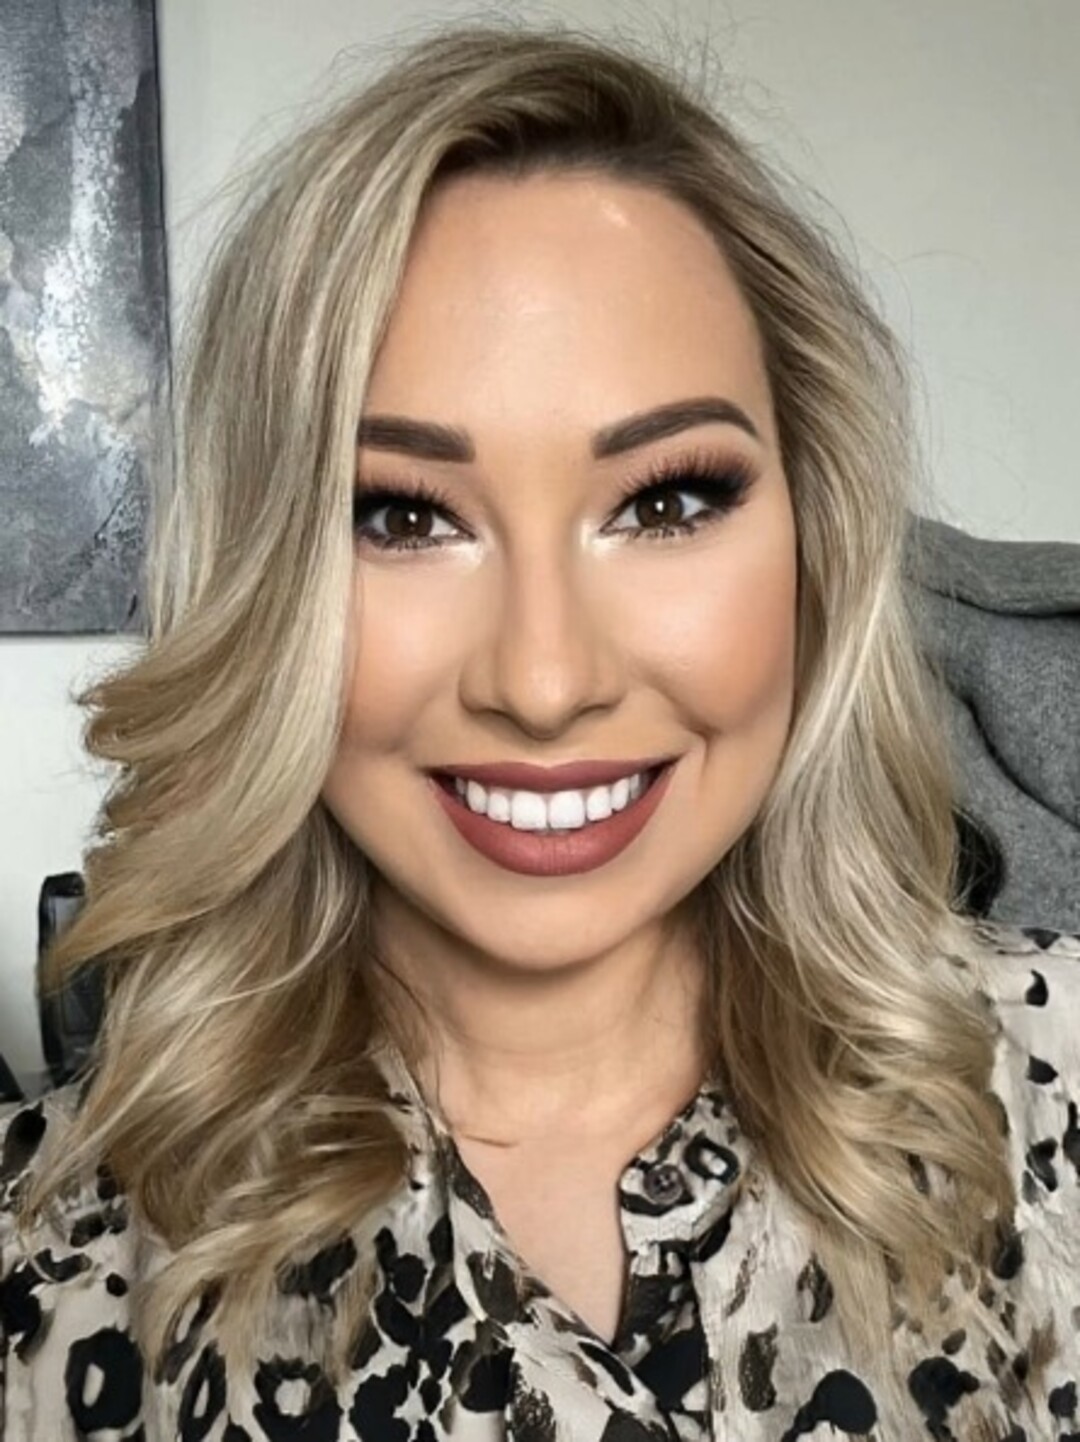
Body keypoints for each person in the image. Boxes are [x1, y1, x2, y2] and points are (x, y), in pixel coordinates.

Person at [1, 21, 1077, 1441]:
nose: (547, 680)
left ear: (816, 543)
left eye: (666, 501)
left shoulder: (1053, 1083)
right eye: (402, 515)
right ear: (266, 583)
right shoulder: (53, 1274)